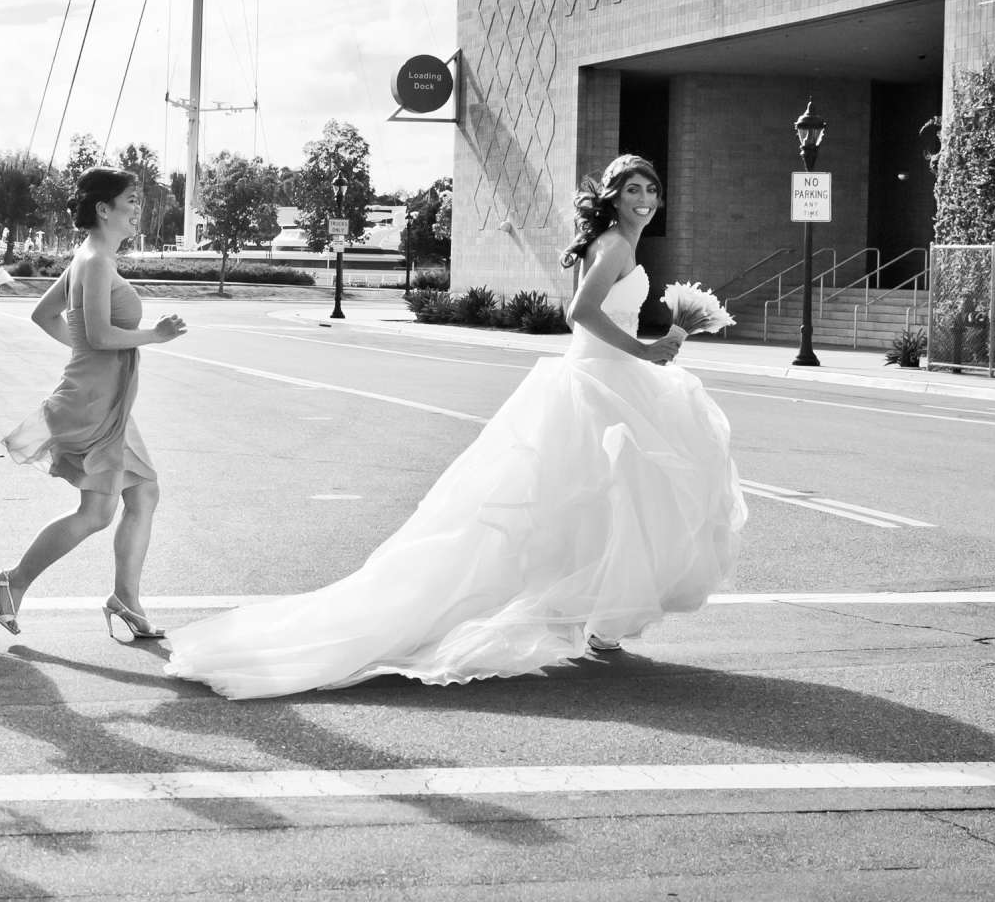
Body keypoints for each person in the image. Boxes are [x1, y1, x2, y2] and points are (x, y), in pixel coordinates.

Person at [165, 154, 747, 698]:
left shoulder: (615, 242)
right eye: (632, 189)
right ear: (614, 198)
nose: (644, 198)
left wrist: (650, 348)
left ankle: (601, 620)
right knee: (601, 499)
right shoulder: (616, 245)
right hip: (599, 381)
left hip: (608, 380)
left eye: (651, 190)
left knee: (606, 503)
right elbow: (582, 314)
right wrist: (646, 352)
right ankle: (587, 618)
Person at [0, 167, 186, 642]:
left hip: (104, 399)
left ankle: (125, 599)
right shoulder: (93, 261)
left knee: (142, 494)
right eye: (131, 200)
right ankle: (14, 580)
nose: (138, 209)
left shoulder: (91, 258)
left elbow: (44, 314)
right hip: (95, 404)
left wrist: (85, 358)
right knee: (98, 512)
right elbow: (96, 334)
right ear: (103, 209)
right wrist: (153, 336)